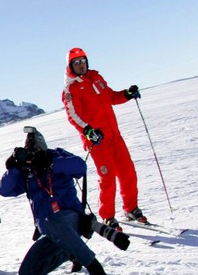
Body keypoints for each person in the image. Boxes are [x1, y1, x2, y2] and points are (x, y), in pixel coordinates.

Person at [0, 127, 108, 275]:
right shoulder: (27, 173)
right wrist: (13, 168)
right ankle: (70, 249)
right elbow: (4, 191)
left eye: (35, 150)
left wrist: (51, 162)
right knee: (27, 272)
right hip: (49, 230)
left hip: (71, 218)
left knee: (53, 221)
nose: (32, 154)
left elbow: (80, 168)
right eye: (28, 151)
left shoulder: (56, 155)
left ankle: (93, 266)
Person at [62, 47, 147, 229]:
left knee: (128, 173)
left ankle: (131, 208)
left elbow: (111, 97)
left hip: (115, 136)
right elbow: (73, 115)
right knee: (107, 178)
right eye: (76, 63)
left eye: (83, 61)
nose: (81, 65)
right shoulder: (71, 88)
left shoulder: (96, 78)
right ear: (70, 66)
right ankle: (107, 216)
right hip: (97, 141)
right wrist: (88, 131)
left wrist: (127, 94)